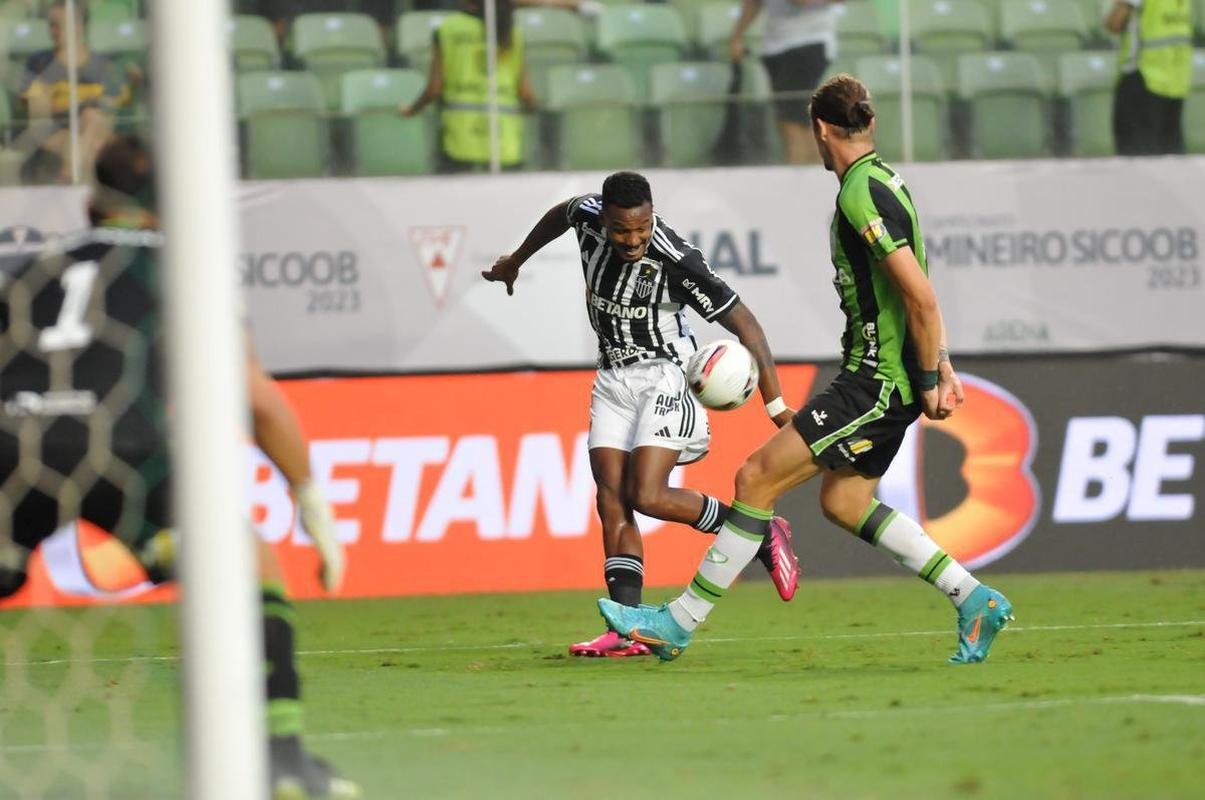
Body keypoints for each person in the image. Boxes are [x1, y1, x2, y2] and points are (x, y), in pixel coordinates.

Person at [598, 76, 1014, 666]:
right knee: (844, 503)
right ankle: (975, 600)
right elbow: (916, 291)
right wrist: (940, 364)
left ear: (821, 130)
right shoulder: (887, 180)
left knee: (755, 477)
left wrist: (926, 381)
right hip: (882, 374)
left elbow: (917, 295)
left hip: (877, 381)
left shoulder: (859, 195)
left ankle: (679, 622)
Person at [0, 134, 357, 799]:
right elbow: (254, 398)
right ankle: (278, 758)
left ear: (89, 203)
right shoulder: (189, 269)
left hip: (12, 453)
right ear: (177, 205)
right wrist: (310, 501)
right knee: (249, 562)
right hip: (122, 452)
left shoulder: (31, 268)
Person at [481, 171, 800, 657]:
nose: (632, 240)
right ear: (604, 219)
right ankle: (627, 627)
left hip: (668, 375)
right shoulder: (585, 215)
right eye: (621, 230)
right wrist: (515, 262)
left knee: (645, 494)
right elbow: (559, 215)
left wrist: (775, 405)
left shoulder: (677, 258)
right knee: (610, 496)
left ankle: (755, 528)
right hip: (612, 378)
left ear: (652, 216)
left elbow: (747, 325)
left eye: (641, 228)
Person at [399, 0, 537, 171]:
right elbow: (526, 93)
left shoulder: (448, 29)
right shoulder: (513, 32)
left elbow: (434, 88)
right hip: (504, 142)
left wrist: (411, 110)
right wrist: (531, 109)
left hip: (459, 142)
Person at [18, 0, 130, 184]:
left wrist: (80, 108)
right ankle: (79, 183)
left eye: (61, 25)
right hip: (53, 133)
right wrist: (85, 103)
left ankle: (68, 175)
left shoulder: (103, 66)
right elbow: (38, 111)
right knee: (84, 125)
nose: (55, 31)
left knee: (91, 120)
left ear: (80, 26)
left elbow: (112, 109)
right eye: (52, 25)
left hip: (94, 132)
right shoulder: (39, 63)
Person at [729, 0, 842, 165]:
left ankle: (801, 178)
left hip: (807, 43)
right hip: (776, 47)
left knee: (794, 123)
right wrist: (737, 36)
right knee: (793, 122)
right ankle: (810, 177)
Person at [1107, 0, 1193, 156]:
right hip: (1176, 80)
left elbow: (1114, 23)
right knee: (1171, 159)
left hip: (1143, 79)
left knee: (1136, 163)